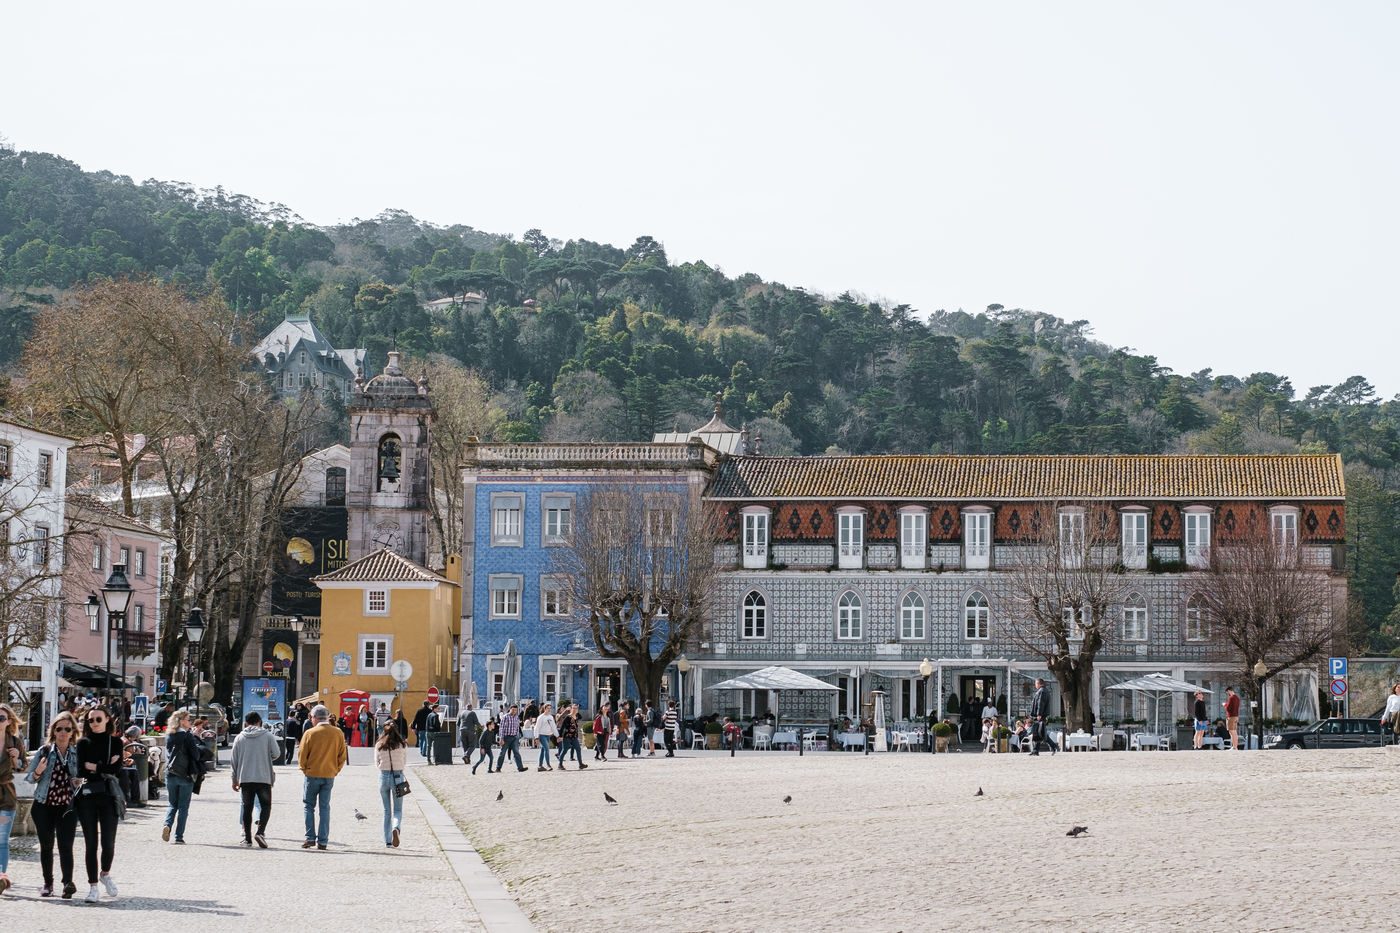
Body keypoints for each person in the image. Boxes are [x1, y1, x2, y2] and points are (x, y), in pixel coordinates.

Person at [25, 711, 80, 898]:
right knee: (46, 845)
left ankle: (67, 883)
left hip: (67, 807)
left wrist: (80, 782)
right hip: (44, 805)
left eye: (67, 729)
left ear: (73, 732)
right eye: (59, 729)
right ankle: (48, 883)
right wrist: (38, 771)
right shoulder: (44, 751)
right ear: (53, 731)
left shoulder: (77, 753)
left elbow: (85, 778)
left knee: (66, 846)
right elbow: (30, 778)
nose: (63, 732)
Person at [75, 706, 123, 903]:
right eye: (91, 720)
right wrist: (104, 767)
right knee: (91, 843)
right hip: (87, 796)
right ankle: (93, 886)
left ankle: (105, 873)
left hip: (108, 796)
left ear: (107, 720)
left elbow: (116, 769)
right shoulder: (83, 742)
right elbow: (81, 769)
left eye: (98, 719)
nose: (94, 723)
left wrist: (94, 766)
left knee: (108, 842)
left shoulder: (115, 742)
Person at [297, 705, 348, 850]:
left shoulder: (310, 733)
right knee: (325, 807)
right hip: (329, 774)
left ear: (314, 718)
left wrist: (304, 769)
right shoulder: (338, 732)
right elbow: (342, 755)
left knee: (309, 806)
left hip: (312, 773)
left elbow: (302, 755)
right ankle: (323, 840)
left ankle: (310, 837)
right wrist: (336, 770)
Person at [230, 711, 278, 848]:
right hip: (263, 777)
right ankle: (260, 832)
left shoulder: (239, 737)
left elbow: (234, 760)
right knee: (266, 806)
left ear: (246, 723)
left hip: (245, 777)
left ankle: (247, 838)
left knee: (247, 807)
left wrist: (234, 779)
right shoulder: (268, 736)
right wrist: (266, 758)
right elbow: (276, 753)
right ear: (259, 722)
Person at [0, 703, 29, 894]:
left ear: (9, 721)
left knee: (2, 840)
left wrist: (16, 758)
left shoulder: (14, 742)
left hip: (6, 795)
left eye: (1, 718)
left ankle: (1, 878)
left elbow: (22, 767)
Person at [163, 708, 203, 844]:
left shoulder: (169, 735)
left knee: (172, 804)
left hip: (171, 773)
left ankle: (167, 824)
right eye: (188, 720)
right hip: (185, 775)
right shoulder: (187, 736)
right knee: (183, 807)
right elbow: (196, 755)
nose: (190, 722)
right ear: (181, 721)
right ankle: (178, 837)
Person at [375, 722, 407, 847]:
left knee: (386, 810)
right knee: (398, 809)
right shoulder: (402, 745)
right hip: (398, 777)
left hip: (383, 776)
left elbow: (376, 763)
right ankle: (396, 828)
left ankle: (387, 840)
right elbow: (404, 762)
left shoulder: (379, 745)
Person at [556, 703, 586, 770]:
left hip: (574, 737)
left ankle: (580, 764)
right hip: (567, 737)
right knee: (564, 750)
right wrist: (560, 736)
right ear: (571, 709)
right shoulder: (568, 717)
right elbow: (562, 727)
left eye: (576, 708)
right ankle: (560, 764)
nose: (575, 710)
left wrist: (576, 711)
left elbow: (580, 717)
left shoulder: (576, 716)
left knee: (578, 749)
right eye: (573, 708)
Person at [496, 704, 526, 772]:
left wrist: (517, 735)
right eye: (513, 710)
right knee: (502, 752)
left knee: (516, 752)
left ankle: (520, 767)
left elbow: (517, 727)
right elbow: (501, 728)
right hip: (506, 737)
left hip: (514, 737)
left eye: (515, 710)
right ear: (510, 709)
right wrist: (501, 738)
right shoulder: (505, 717)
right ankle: (498, 768)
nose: (514, 711)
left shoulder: (516, 717)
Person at [1029, 678, 1054, 756]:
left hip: (1040, 715)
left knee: (1039, 732)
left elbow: (1041, 703)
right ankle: (1036, 750)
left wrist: (1039, 714)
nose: (1035, 685)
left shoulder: (1042, 691)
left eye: (1036, 684)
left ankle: (1036, 750)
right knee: (1040, 733)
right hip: (1040, 715)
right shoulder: (1043, 690)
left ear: (1039, 683)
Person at [534, 703, 557, 771]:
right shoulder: (541, 717)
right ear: (544, 709)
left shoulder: (551, 717)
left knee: (542, 750)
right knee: (547, 749)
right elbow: (537, 727)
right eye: (548, 708)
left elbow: (553, 727)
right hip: (541, 735)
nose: (549, 709)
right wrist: (536, 737)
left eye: (550, 708)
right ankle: (548, 765)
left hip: (548, 735)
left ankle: (540, 766)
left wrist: (557, 735)